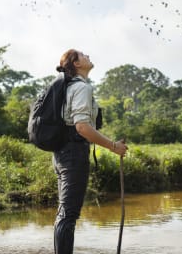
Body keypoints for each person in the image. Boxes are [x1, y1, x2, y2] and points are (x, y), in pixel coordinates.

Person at [53, 49, 127, 254]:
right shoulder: (81, 88)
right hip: (73, 154)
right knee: (68, 215)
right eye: (83, 55)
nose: (88, 56)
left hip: (61, 153)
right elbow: (82, 127)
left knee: (64, 213)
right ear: (76, 64)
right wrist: (114, 146)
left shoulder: (67, 87)